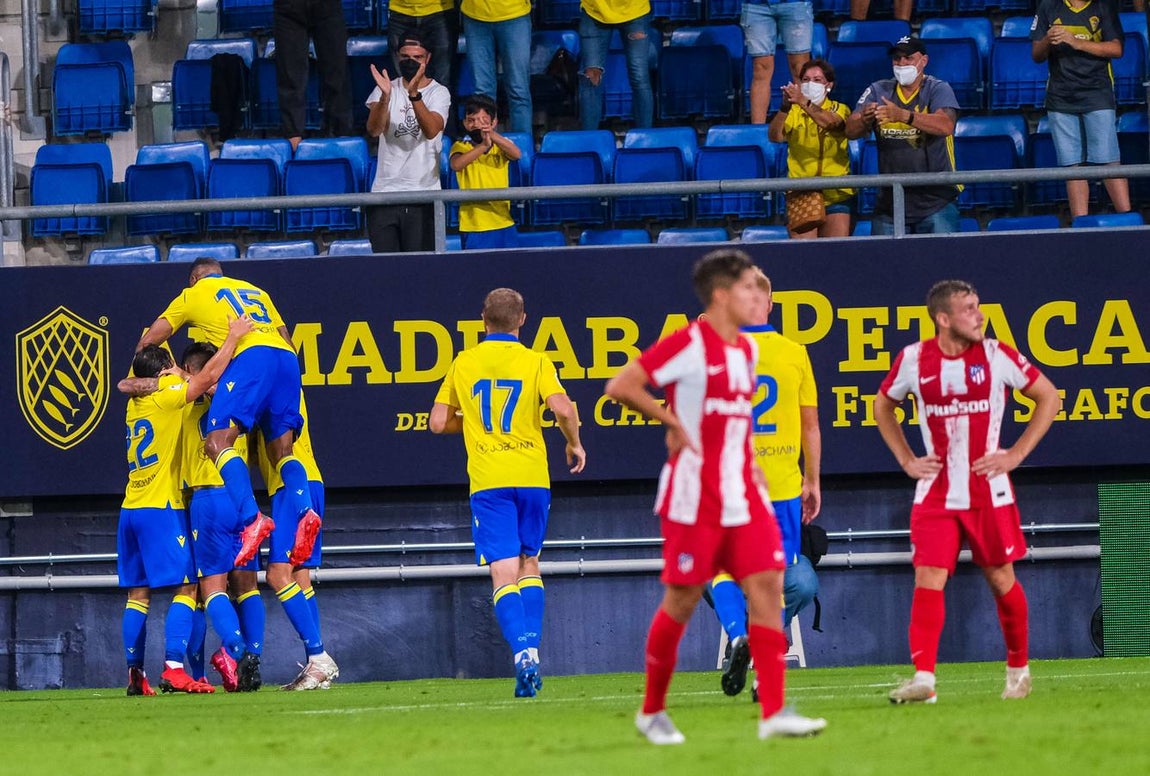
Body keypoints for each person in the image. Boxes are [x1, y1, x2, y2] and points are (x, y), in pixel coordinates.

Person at [604, 249, 826, 745]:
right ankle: (652, 711)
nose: (757, 295)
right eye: (748, 287)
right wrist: (673, 421)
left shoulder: (745, 351)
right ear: (722, 295)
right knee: (682, 598)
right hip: (694, 494)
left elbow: (735, 420)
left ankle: (774, 710)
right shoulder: (688, 343)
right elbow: (620, 385)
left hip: (744, 489)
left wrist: (751, 466)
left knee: (769, 585)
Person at [874, 280, 1062, 703]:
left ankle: (1018, 670)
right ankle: (924, 679)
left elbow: (1048, 397)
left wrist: (1015, 454)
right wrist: (907, 460)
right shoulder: (913, 359)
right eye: (970, 309)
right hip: (936, 492)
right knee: (928, 578)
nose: (980, 316)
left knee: (1000, 579)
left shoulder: (998, 355)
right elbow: (883, 403)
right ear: (944, 319)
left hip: (988, 490)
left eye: (979, 307)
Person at [430, 288, 587, 698]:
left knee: (502, 571)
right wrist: (573, 443)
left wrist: (472, 426)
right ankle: (533, 648)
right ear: (523, 320)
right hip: (533, 476)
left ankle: (522, 655)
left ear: (483, 319)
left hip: (490, 480)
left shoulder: (464, 362)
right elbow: (564, 409)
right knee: (529, 562)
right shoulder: (535, 360)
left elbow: (436, 422)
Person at [136, 258, 321, 572]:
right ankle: (306, 511)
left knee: (216, 442)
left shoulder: (191, 294)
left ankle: (252, 519)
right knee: (282, 452)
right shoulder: (256, 291)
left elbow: (148, 341)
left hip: (252, 356)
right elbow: (286, 339)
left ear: (195, 278)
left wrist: (175, 374)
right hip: (287, 361)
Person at [118, 315, 251, 696]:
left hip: (130, 507)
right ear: (162, 373)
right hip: (161, 506)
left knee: (138, 594)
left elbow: (127, 381)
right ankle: (175, 667)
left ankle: (135, 675)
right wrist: (232, 339)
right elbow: (205, 379)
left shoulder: (135, 404)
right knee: (189, 587)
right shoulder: (167, 394)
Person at [707, 268, 822, 698]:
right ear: (770, 304)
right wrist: (812, 480)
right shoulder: (795, 352)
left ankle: (740, 636)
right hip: (780, 487)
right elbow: (810, 426)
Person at [253, 392, 339, 691]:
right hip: (308, 481)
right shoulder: (283, 377)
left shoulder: (265, 376)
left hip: (292, 487)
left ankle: (318, 655)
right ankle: (317, 667)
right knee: (300, 578)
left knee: (278, 575)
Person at [846, 37, 961, 236]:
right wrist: (864, 119)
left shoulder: (938, 88)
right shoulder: (878, 89)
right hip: (890, 204)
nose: (901, 64)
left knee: (942, 264)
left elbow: (946, 125)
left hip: (935, 202)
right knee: (887, 266)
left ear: (923, 61)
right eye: (897, 59)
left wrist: (904, 116)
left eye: (908, 58)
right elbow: (850, 130)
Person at [1031, 0, 1131, 218]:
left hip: (1098, 94)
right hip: (1060, 98)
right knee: (1072, 168)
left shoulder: (1104, 6)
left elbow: (1116, 48)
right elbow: (1036, 55)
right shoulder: (1048, 7)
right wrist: (1048, 39)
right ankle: (1080, 225)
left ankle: (1130, 221)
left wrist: (1076, 42)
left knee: (1108, 162)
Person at [366, 35, 451, 253]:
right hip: (384, 195)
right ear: (397, 57)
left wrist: (414, 95)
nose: (410, 61)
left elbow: (432, 130)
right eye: (405, 56)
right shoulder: (385, 88)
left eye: (417, 57)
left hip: (424, 195)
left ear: (428, 58)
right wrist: (385, 97)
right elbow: (374, 129)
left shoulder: (439, 92)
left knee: (420, 270)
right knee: (386, 270)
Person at [768, 59, 854, 239]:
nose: (810, 84)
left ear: (828, 85)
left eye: (817, 80)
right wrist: (784, 108)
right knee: (804, 257)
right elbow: (775, 136)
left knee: (836, 255)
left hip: (836, 193)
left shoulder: (841, 109)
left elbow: (831, 123)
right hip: (801, 193)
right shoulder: (793, 112)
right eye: (805, 80)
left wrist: (804, 103)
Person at [273, 0, 353, 150]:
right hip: (288, 8)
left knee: (337, 72)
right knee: (290, 75)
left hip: (327, 6)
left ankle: (341, 137)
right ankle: (293, 141)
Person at [449, 94, 522, 250]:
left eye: (483, 120)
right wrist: (482, 146)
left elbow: (516, 154)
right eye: (471, 121)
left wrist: (492, 136)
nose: (477, 125)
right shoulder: (461, 147)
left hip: (503, 221)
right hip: (473, 225)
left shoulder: (500, 147)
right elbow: (456, 165)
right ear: (464, 123)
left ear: (493, 122)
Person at [578, 0, 654, 130]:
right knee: (591, 80)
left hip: (635, 11)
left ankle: (645, 139)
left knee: (640, 78)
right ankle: (588, 141)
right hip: (594, 11)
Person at [460, 0, 532, 133]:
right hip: (475, 17)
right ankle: (486, 149)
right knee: (482, 93)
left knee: (518, 90)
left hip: (514, 15)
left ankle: (522, 149)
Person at [742, 0, 814, 125]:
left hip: (795, 4)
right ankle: (757, 130)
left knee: (801, 69)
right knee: (760, 69)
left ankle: (807, 126)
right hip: (756, 6)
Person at [388, 0, 456, 90]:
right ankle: (404, 103)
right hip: (400, 10)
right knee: (401, 81)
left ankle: (440, 103)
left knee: (443, 80)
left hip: (440, 10)